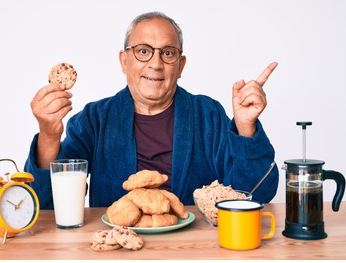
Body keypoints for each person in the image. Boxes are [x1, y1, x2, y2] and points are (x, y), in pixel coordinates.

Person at [24, 11, 279, 209]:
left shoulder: (207, 114)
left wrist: (246, 127)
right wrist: (48, 134)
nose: (155, 64)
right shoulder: (94, 120)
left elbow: (255, 194)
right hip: (116, 251)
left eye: (167, 53)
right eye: (143, 51)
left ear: (180, 66)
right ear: (125, 61)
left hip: (193, 249)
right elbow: (47, 205)